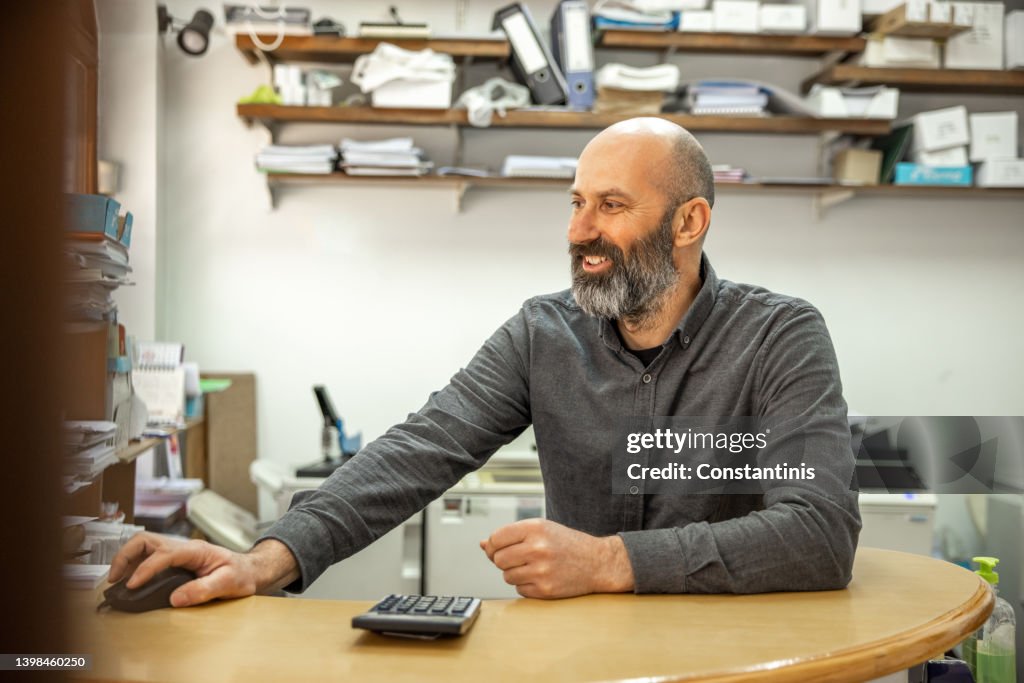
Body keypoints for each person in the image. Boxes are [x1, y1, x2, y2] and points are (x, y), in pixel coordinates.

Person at [110, 118, 860, 606]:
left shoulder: (780, 336)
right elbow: (421, 448)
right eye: (574, 203)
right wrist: (264, 557)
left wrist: (608, 561)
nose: (580, 231)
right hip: (585, 658)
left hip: (741, 658)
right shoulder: (542, 333)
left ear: (690, 220)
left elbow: (820, 532)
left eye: (610, 205)